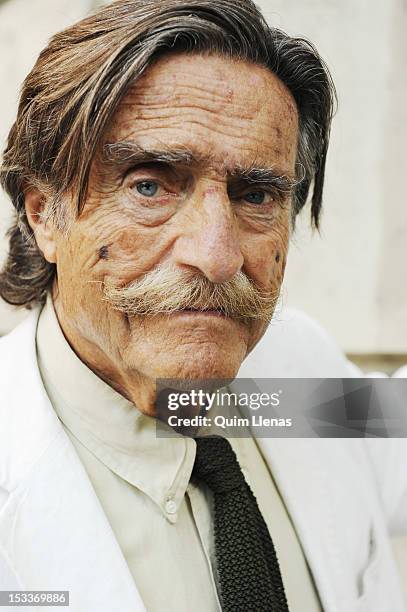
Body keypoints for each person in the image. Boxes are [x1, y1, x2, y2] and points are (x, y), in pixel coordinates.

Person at [0, 1, 405, 611]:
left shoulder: (290, 375)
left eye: (256, 194)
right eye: (150, 184)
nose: (217, 255)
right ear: (44, 214)